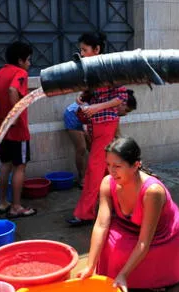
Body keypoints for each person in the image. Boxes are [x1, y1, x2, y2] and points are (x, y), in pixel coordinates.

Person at [76, 137, 179, 292]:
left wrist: (123, 275)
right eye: (108, 165)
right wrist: (90, 266)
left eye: (117, 166)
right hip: (129, 227)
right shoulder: (107, 183)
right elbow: (101, 225)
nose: (111, 171)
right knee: (108, 244)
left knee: (122, 253)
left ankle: (152, 280)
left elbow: (144, 242)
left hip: (161, 236)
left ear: (135, 165)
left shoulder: (152, 191)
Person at [66, 32, 129, 226]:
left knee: (94, 170)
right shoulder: (91, 70)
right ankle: (118, 208)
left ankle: (85, 213)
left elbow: (121, 97)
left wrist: (95, 107)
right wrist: (82, 98)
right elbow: (94, 96)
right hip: (96, 125)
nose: (82, 54)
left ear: (97, 49)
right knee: (105, 171)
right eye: (81, 50)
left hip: (105, 125)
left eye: (85, 50)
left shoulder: (109, 68)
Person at [0, 41, 37, 218]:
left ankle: (2, 203)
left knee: (5, 164)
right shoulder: (20, 73)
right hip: (17, 130)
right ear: (20, 60)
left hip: (3, 129)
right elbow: (12, 90)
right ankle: (16, 206)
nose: (29, 64)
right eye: (28, 60)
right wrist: (15, 116)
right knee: (20, 167)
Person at [65, 90, 138, 188]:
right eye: (126, 110)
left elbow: (117, 133)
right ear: (122, 103)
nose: (126, 114)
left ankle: (93, 178)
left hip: (88, 118)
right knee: (81, 148)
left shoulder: (113, 112)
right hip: (74, 115)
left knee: (94, 151)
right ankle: (82, 178)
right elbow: (86, 115)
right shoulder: (107, 107)